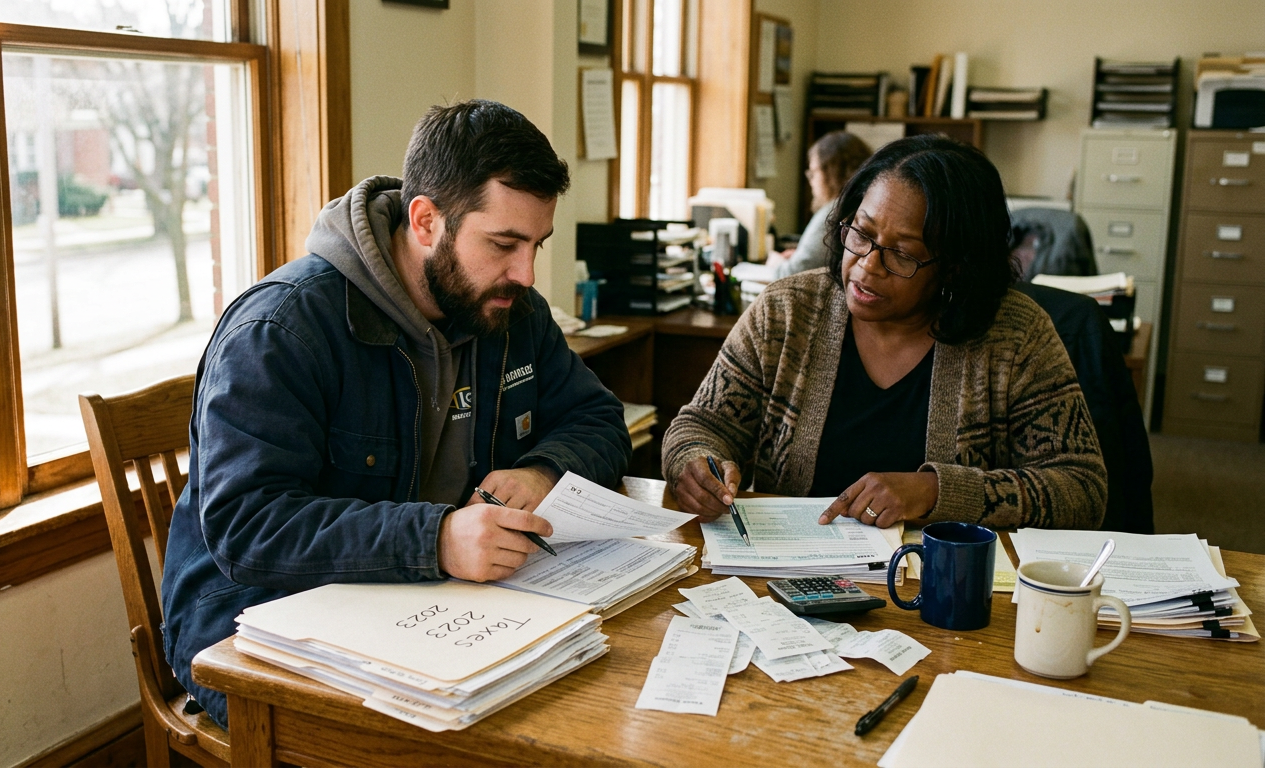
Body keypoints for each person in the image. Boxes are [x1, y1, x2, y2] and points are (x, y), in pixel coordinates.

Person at [161, 100, 632, 726]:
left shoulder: (508, 310)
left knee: (578, 706)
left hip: (430, 602)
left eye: (536, 244)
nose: (525, 272)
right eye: (504, 243)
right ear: (426, 220)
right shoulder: (281, 329)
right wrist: (434, 540)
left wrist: (542, 472)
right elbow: (248, 527)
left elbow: (598, 419)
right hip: (253, 618)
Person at [663, 134, 1107, 532]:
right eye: (861, 233)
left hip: (942, 594)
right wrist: (696, 464)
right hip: (789, 583)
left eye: (901, 253)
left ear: (955, 265)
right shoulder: (785, 313)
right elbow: (700, 425)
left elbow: (1080, 488)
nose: (867, 266)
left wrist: (934, 492)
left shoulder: (1015, 336)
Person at [766, 131, 873, 279]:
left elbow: (793, 273)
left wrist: (776, 263)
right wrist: (799, 254)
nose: (811, 181)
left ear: (832, 173)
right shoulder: (865, 204)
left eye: (814, 173)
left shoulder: (833, 212)